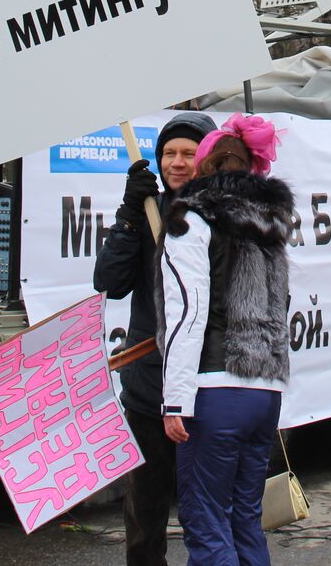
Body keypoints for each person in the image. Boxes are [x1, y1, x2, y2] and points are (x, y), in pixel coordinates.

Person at [157, 114, 292, 566]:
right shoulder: (271, 223)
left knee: (206, 521)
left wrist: (174, 399)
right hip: (265, 394)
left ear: (201, 168)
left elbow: (187, 315)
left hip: (214, 391)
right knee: (245, 520)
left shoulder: (191, 221)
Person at [94, 112, 216, 566]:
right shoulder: (146, 213)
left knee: (206, 516)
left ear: (208, 157)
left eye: (189, 153)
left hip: (207, 387)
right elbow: (109, 280)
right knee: (145, 518)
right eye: (169, 153)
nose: (177, 162)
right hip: (148, 388)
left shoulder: (227, 214)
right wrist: (129, 215)